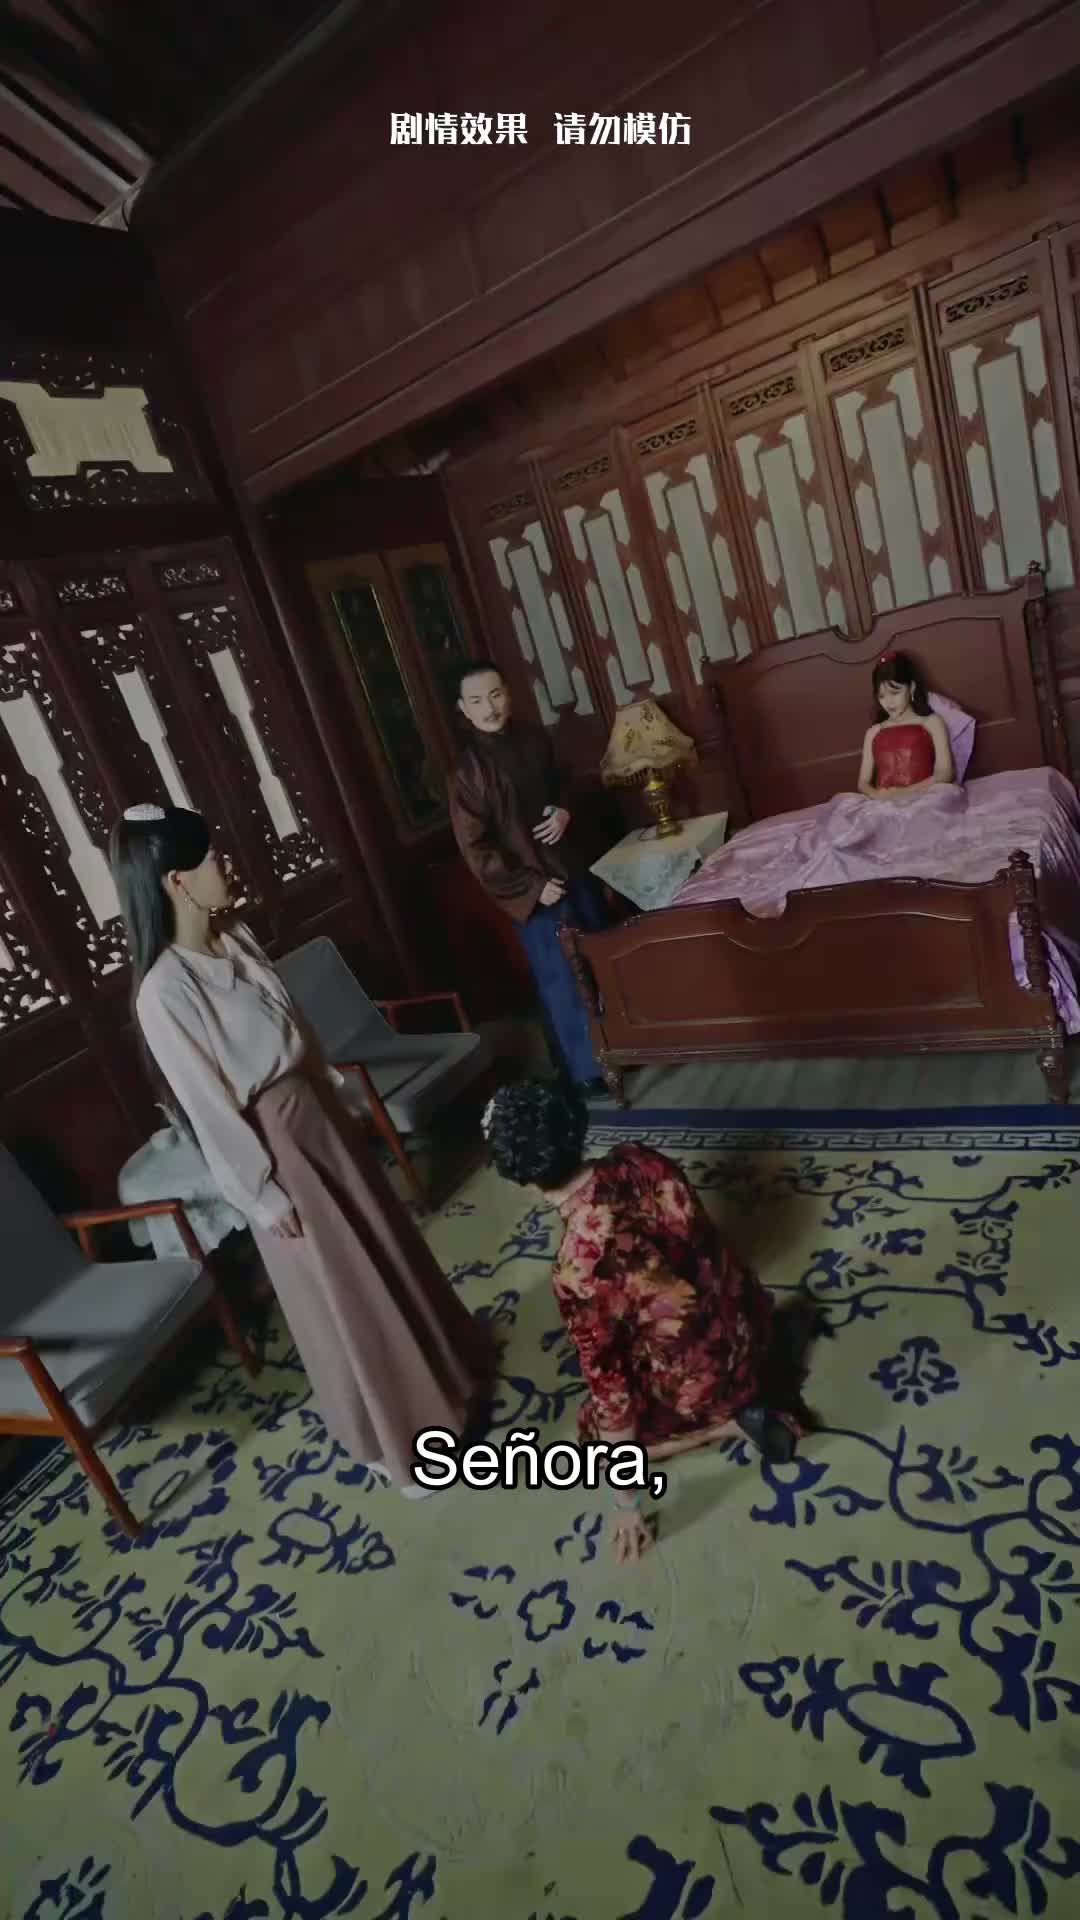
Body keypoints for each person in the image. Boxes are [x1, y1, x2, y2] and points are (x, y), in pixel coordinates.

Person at [109, 802, 493, 1498]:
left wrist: (335, 1100)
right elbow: (208, 1107)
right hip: (274, 1147)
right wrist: (262, 1195)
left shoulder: (235, 937)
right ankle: (401, 1440)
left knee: (385, 1247)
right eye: (210, 857)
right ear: (177, 882)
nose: (224, 864)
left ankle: (449, 1378)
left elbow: (298, 1033)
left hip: (315, 1117)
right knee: (347, 1290)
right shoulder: (163, 990)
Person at [483, 1078, 819, 1564]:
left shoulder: (578, 1268)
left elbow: (611, 1392)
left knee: (593, 1443)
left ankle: (727, 1427)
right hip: (746, 1319)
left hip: (698, 1379)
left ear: (519, 1175)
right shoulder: (639, 1158)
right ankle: (751, 1392)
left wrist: (626, 1506)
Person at [448, 660, 610, 1092]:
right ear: (463, 709)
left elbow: (564, 783)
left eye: (495, 695)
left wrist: (564, 810)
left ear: (508, 693)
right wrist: (534, 887)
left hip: (573, 869)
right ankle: (588, 1071)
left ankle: (623, 1047)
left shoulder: (535, 739)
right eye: (477, 701)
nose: (490, 708)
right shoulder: (469, 773)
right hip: (536, 892)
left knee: (602, 959)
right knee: (562, 981)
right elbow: (477, 849)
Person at [858, 651, 954, 802]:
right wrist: (877, 795)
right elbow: (863, 782)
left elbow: (945, 773)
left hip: (924, 798)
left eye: (895, 693)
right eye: (882, 696)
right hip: (883, 803)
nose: (889, 702)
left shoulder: (931, 722)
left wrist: (905, 792)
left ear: (911, 688)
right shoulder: (874, 732)